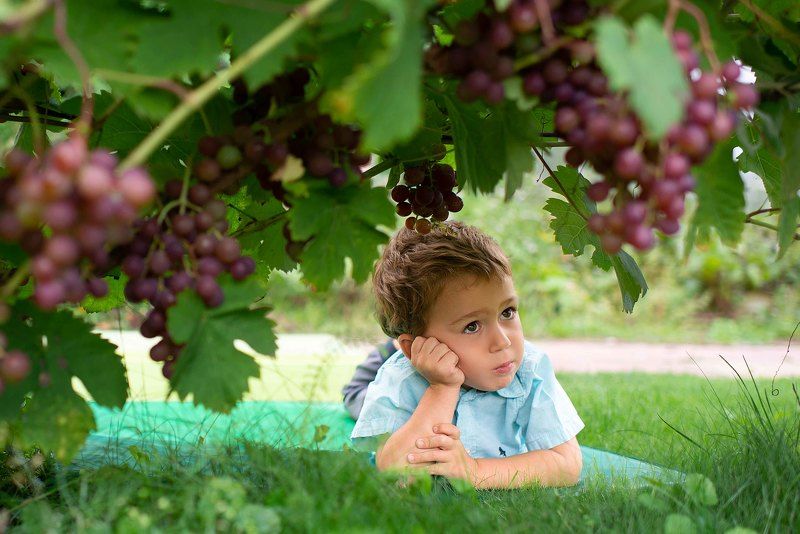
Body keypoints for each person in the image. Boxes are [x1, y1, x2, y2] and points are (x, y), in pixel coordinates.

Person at [347, 221, 584, 489]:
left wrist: (475, 471)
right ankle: (379, 358)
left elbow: (567, 465)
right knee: (356, 397)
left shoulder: (530, 368)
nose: (502, 341)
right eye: (472, 326)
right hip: (381, 377)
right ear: (416, 347)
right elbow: (396, 473)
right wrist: (441, 388)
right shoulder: (399, 379)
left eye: (507, 312)